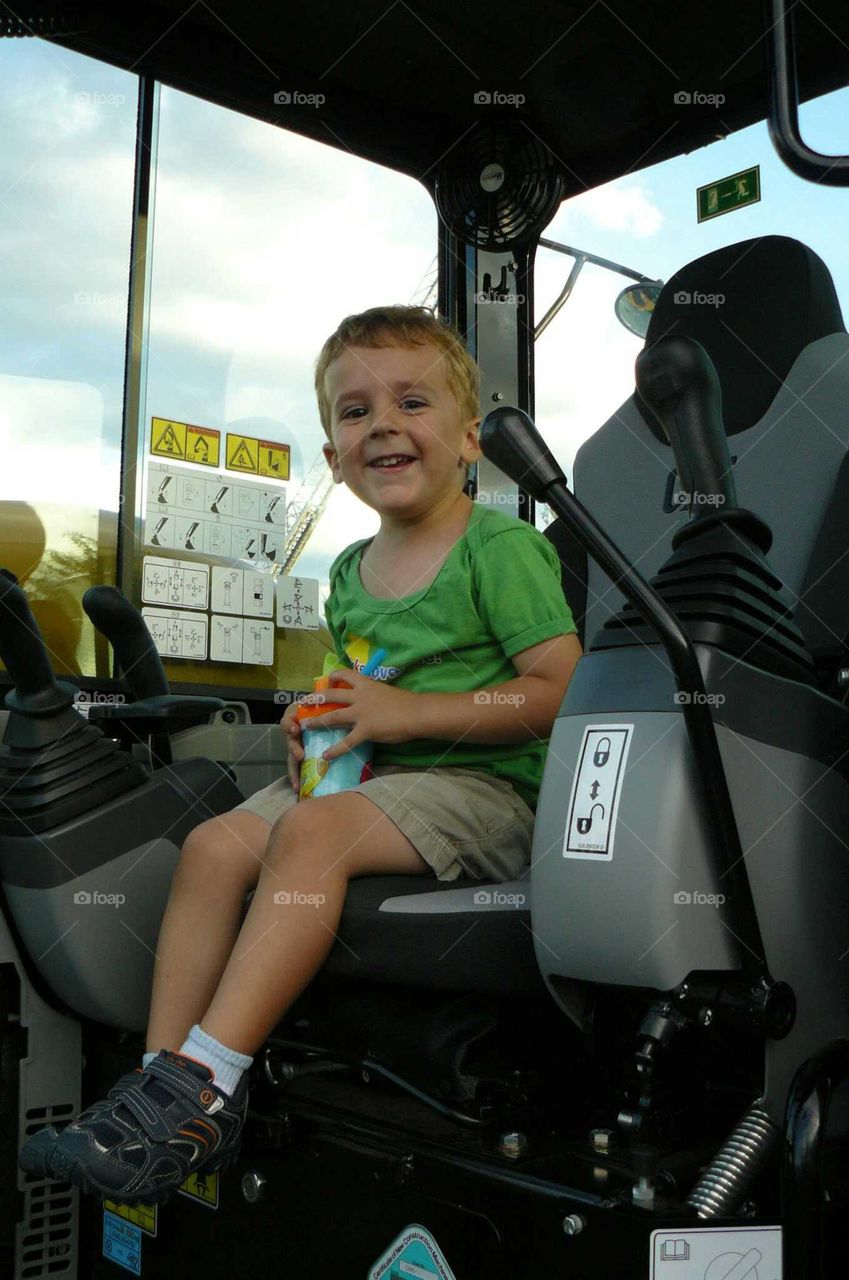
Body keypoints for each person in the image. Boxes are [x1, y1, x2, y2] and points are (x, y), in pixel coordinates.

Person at [19, 304, 582, 1203]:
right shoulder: (351, 572)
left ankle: (205, 1079)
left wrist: (403, 713)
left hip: (484, 787)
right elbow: (354, 687)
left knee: (312, 836)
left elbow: (557, 692)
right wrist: (314, 722)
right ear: (332, 456)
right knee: (209, 847)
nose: (384, 425)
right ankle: (160, 1094)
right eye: (355, 413)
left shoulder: (501, 548)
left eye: (412, 402)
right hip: (373, 783)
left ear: (471, 438)